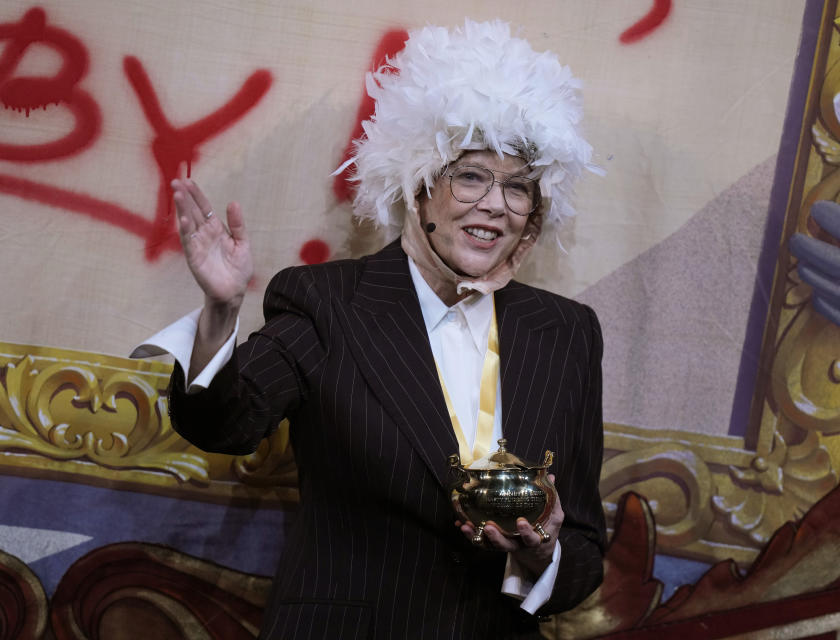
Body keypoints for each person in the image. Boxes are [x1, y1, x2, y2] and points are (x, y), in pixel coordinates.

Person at [136, 19, 606, 639]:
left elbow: (586, 550)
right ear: (420, 187)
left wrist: (543, 557)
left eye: (519, 187)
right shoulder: (327, 302)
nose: (495, 204)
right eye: (471, 176)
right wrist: (221, 310)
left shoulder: (567, 332)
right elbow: (225, 424)